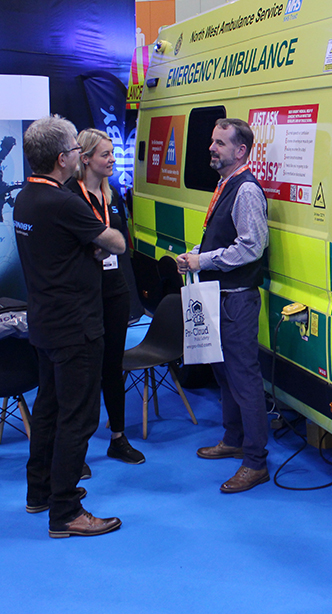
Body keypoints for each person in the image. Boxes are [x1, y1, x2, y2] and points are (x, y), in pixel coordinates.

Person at [14, 116, 126, 537]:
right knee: (77, 418)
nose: (81, 158)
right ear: (63, 159)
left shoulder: (26, 198)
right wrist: (98, 241)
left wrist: (84, 250)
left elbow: (57, 251)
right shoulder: (63, 202)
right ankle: (65, 512)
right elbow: (115, 241)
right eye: (77, 153)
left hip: (45, 322)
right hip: (76, 327)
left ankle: (39, 492)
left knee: (48, 410)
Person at [176, 119, 270, 493]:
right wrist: (196, 255)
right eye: (212, 141)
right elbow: (226, 238)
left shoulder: (246, 189)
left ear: (241, 151)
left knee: (245, 380)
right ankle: (233, 440)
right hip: (218, 297)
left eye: (219, 143)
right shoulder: (226, 184)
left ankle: (255, 462)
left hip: (236, 300)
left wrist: (205, 261)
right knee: (225, 375)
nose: (211, 148)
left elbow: (252, 245)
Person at [67, 129, 146, 465]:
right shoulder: (70, 196)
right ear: (85, 159)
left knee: (113, 366)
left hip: (114, 290)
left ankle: (118, 437)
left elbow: (122, 242)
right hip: (83, 295)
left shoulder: (111, 193)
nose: (113, 159)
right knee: (84, 372)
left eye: (113, 153)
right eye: (106, 154)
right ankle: (75, 450)